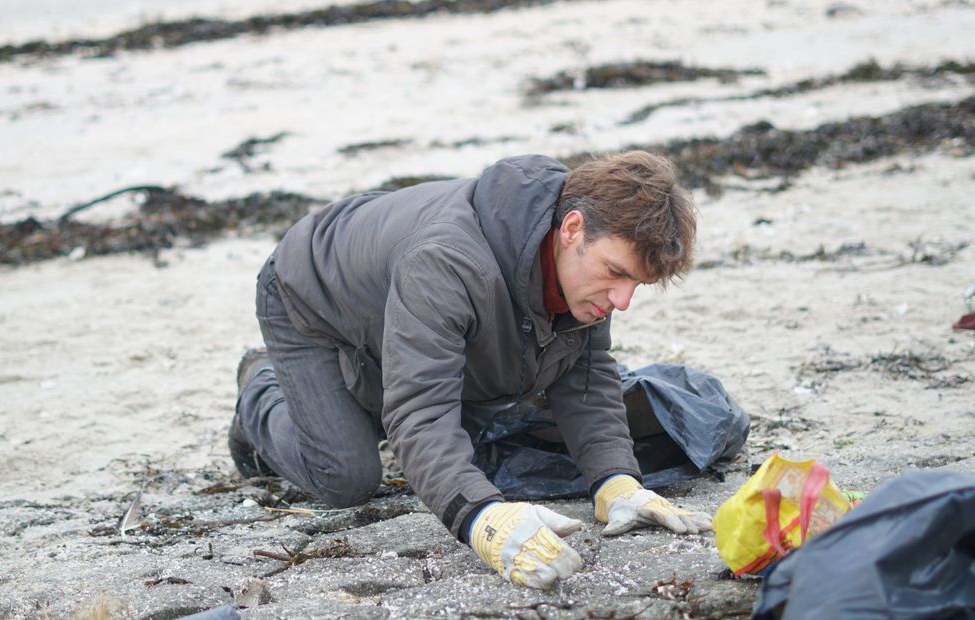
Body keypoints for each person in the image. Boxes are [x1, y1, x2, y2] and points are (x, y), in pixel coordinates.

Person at [230, 151, 711, 589]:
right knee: (346, 476)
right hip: (309, 294)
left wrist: (616, 481)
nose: (622, 302)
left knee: (479, 398)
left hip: (390, 287)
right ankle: (261, 386)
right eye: (616, 273)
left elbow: (585, 376)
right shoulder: (447, 263)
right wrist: (480, 517)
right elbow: (420, 409)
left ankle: (350, 393)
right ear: (572, 229)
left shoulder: (580, 266)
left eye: (637, 285)